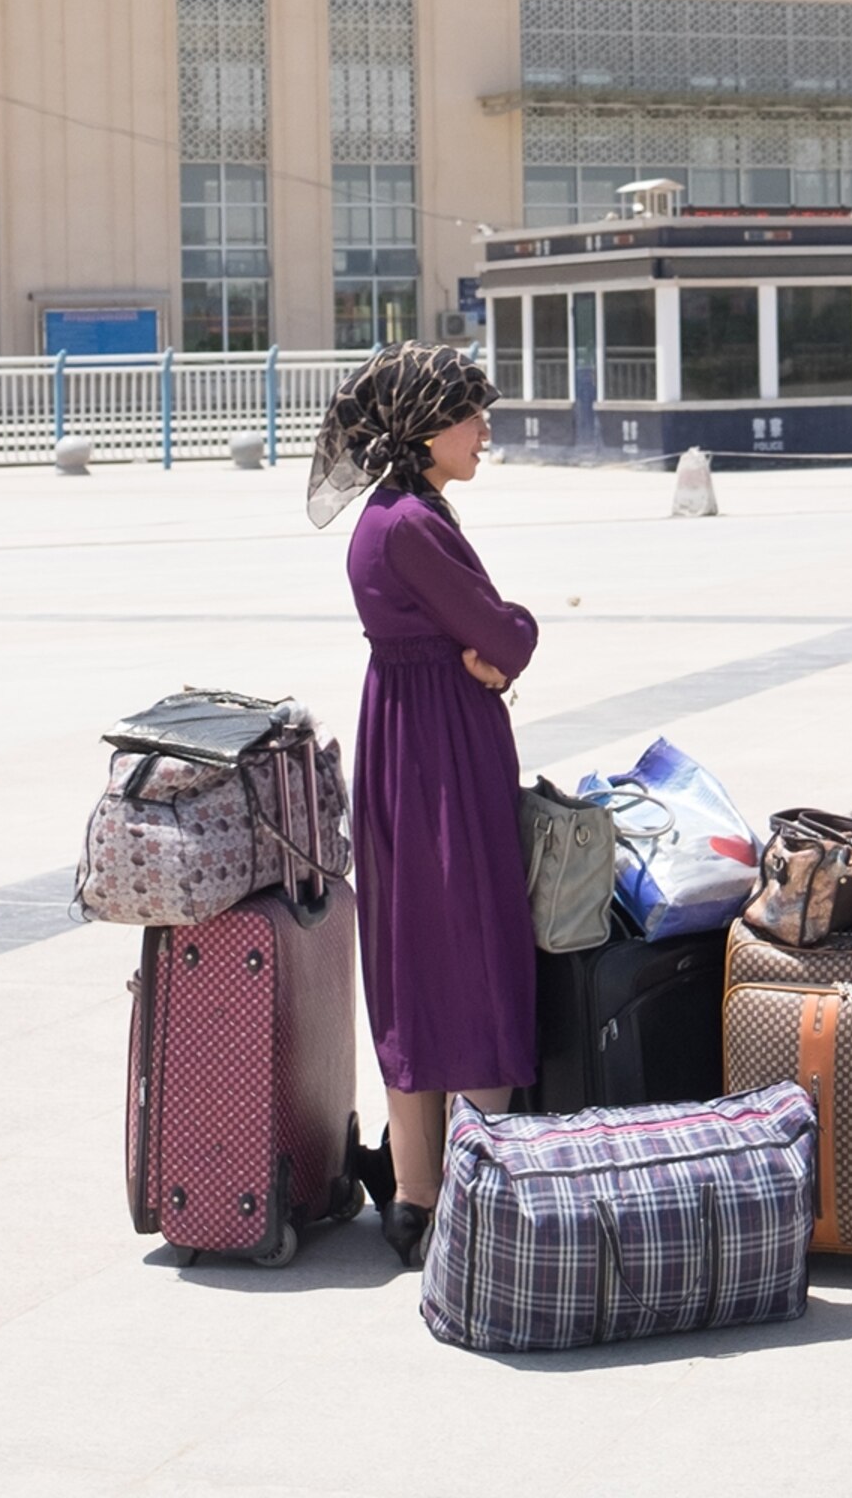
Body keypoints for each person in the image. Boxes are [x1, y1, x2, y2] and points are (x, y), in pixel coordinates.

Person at [307, 342, 539, 1270]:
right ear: (421, 427)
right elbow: (506, 636)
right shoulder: (414, 524)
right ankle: (481, 1191)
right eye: (469, 414)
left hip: (404, 739)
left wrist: (481, 650)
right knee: (474, 947)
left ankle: (416, 1194)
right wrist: (496, 647)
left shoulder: (388, 515)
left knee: (413, 956)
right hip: (444, 750)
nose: (485, 429)